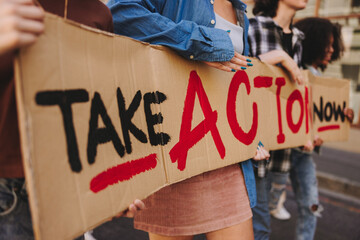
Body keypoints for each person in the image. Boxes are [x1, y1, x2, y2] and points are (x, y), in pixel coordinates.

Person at [108, 0, 270, 239]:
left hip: (227, 159)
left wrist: (247, 135)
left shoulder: (240, 9)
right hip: (174, 156)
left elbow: (233, 82)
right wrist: (199, 43)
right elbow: (121, 13)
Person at [0, 1, 144, 239]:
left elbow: (98, 106)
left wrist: (112, 186)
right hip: (7, 185)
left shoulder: (99, 14)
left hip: (63, 191)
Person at [247, 0, 309, 239]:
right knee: (260, 228)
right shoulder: (253, 26)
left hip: (281, 147)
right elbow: (238, 74)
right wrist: (277, 56)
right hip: (254, 143)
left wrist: (306, 130)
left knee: (259, 224)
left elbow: (296, 93)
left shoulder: (298, 38)